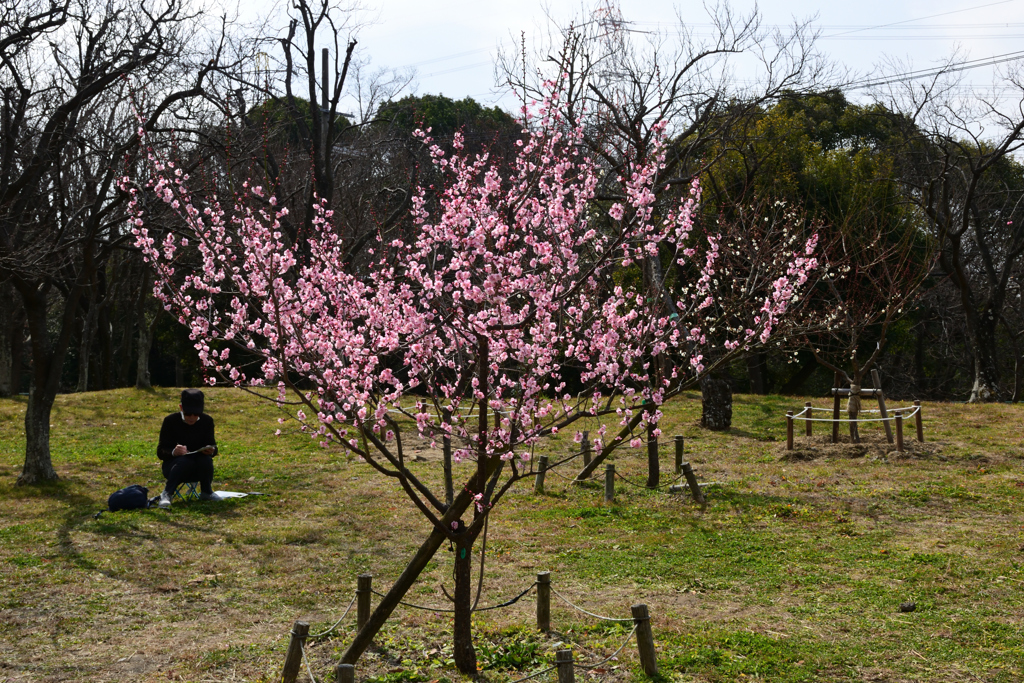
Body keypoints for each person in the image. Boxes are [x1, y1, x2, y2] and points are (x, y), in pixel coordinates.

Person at [155, 388, 221, 508]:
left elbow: (213, 446)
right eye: (188, 414)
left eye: (196, 414)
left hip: (199, 467)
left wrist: (211, 451)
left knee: (206, 460)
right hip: (175, 467)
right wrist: (174, 452)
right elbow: (161, 451)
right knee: (184, 461)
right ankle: (167, 493)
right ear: (181, 408)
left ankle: (207, 491)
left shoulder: (207, 421)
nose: (192, 417)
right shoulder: (170, 421)